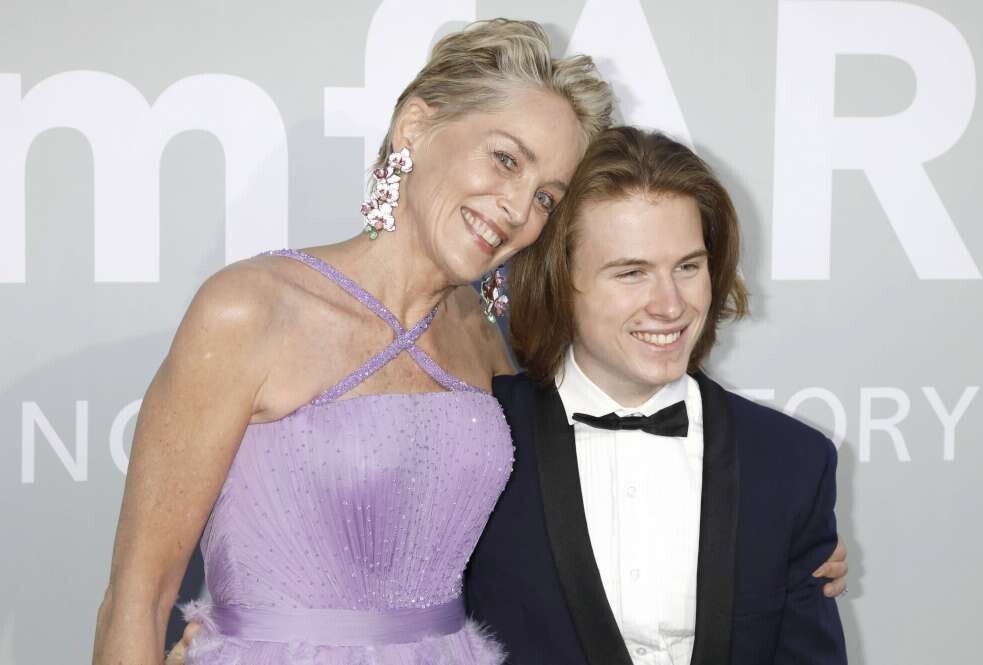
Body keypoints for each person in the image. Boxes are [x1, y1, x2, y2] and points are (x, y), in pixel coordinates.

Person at [92, 19, 616, 665]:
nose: (516, 208)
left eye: (546, 197)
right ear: (415, 127)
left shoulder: (490, 345)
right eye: (505, 159)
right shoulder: (251, 310)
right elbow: (136, 598)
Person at [464, 126, 848, 664]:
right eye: (631, 273)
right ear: (559, 280)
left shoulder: (792, 462)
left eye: (687, 267)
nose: (669, 305)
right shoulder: (477, 445)